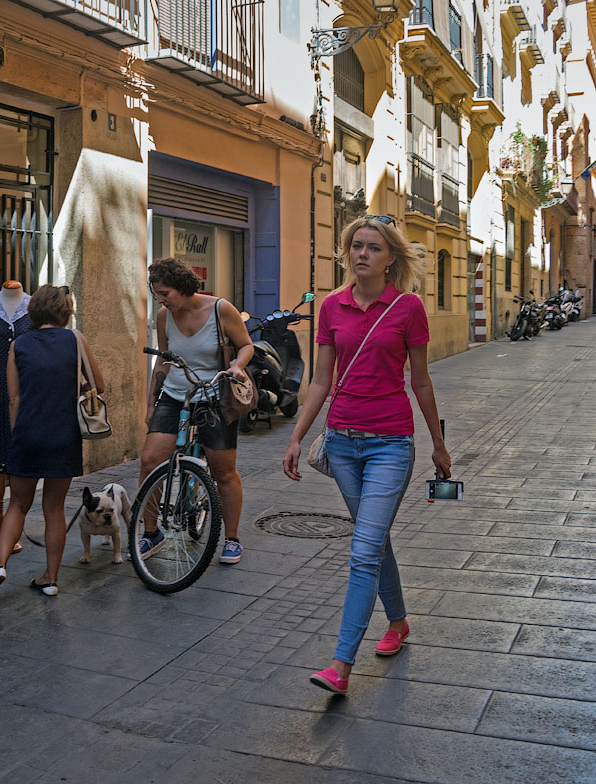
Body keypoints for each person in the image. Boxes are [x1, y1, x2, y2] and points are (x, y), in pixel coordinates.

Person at [282, 215, 451, 696]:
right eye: (356, 246)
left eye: (373, 248)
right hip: (342, 445)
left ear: (390, 258)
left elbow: (420, 380)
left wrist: (438, 443)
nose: (362, 254)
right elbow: (320, 381)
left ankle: (340, 665)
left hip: (390, 445)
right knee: (373, 543)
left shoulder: (408, 308)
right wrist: (297, 437)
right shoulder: (332, 307)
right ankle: (397, 622)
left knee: (362, 552)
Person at [0, 285, 103, 601]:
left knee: (18, 504)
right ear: (65, 311)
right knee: (54, 508)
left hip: (27, 434)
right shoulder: (76, 340)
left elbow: (14, 399)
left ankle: (0, 565)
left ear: (33, 312)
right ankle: (50, 578)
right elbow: (100, 385)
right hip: (64, 434)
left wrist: (16, 435)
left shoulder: (18, 345)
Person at [140, 258, 253, 565]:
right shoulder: (165, 315)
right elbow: (162, 360)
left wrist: (237, 365)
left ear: (183, 288)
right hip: (176, 393)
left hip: (214, 394)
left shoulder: (220, 310)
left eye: (165, 292)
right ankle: (151, 533)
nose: (160, 299)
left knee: (223, 472)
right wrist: (151, 402)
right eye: (156, 294)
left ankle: (232, 539)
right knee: (150, 461)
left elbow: (245, 345)